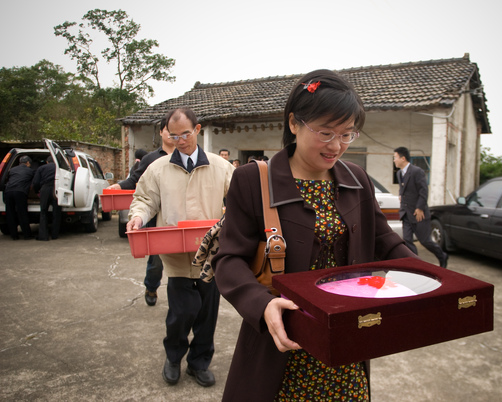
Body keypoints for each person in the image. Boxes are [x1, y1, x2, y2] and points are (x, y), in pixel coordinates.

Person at [213, 69, 416, 401]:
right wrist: (261, 305)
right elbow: (229, 258)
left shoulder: (357, 180)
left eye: (348, 134)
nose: (336, 145)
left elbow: (385, 241)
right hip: (282, 344)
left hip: (347, 344)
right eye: (325, 132)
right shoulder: (253, 181)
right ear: (294, 124)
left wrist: (434, 278)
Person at [127, 108, 234, 388]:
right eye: (174, 136)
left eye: (185, 134)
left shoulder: (220, 166)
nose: (180, 140)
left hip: (211, 255)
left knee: (207, 315)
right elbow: (144, 199)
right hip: (175, 255)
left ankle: (199, 363)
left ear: (197, 130)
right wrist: (138, 216)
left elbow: (239, 198)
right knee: (181, 313)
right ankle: (173, 357)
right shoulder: (158, 168)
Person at [107, 118, 175, 306]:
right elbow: (133, 179)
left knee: (182, 259)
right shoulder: (151, 158)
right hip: (155, 215)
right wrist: (118, 186)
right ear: (161, 133)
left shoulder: (185, 156)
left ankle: (180, 296)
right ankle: (151, 287)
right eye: (168, 130)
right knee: (157, 260)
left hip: (178, 214)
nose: (172, 134)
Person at [393, 146, 448, 268]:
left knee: (425, 241)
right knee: (407, 241)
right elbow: (402, 189)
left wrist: (419, 208)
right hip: (405, 213)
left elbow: (423, 191)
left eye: (395, 157)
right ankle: (417, 265)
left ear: (403, 158)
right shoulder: (399, 173)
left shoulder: (417, 171)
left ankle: (442, 256)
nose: (394, 160)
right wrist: (400, 195)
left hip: (418, 213)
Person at [3, 156, 34, 240]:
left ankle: (14, 235)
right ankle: (27, 235)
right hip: (20, 192)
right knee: (22, 213)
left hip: (8, 192)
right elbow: (34, 183)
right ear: (28, 163)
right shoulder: (30, 171)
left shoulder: (12, 170)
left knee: (10, 214)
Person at [33, 156, 61, 240]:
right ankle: (55, 235)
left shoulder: (41, 168)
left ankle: (43, 236)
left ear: (47, 162)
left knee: (44, 212)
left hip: (45, 189)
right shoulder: (59, 168)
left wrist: (37, 191)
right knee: (56, 212)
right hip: (57, 189)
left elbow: (36, 182)